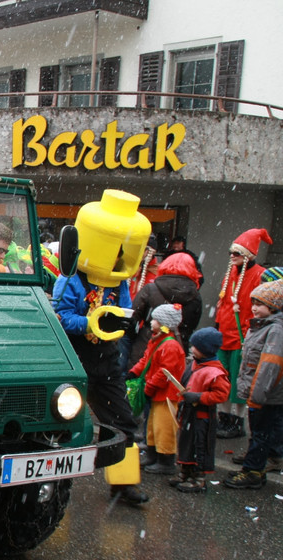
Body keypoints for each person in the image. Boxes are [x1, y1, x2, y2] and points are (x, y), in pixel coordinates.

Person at [53, 189, 150, 507]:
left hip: (107, 360)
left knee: (124, 423)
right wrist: (89, 322)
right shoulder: (70, 278)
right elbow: (60, 316)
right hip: (74, 359)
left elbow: (124, 312)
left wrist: (122, 323)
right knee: (62, 425)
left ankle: (124, 485)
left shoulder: (119, 282)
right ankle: (54, 486)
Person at [223, 279, 283, 489]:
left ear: (273, 307)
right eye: (253, 303)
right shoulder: (262, 326)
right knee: (262, 431)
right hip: (262, 393)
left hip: (265, 394)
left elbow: (269, 367)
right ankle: (256, 462)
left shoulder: (275, 330)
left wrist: (257, 396)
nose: (254, 308)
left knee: (260, 433)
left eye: (260, 304)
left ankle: (253, 471)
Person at [214, 228, 271, 439]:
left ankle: (237, 421)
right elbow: (223, 305)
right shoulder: (230, 275)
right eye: (231, 252)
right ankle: (224, 417)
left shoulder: (260, 275)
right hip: (224, 336)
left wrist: (251, 334)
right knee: (222, 379)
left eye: (237, 253)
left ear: (248, 255)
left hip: (243, 338)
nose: (232, 256)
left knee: (240, 381)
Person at [128, 304, 186, 475]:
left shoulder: (170, 346)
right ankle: (153, 454)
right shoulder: (157, 340)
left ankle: (166, 460)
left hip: (167, 395)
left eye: (155, 320)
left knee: (164, 428)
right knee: (153, 426)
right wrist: (134, 372)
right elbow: (146, 360)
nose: (151, 322)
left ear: (163, 324)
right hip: (158, 393)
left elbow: (164, 373)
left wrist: (149, 388)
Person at [172, 327, 229, 493]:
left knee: (200, 446)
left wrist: (198, 397)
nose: (192, 349)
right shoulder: (194, 364)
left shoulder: (215, 372)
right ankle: (185, 472)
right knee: (186, 444)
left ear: (205, 349)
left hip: (202, 417)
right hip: (189, 413)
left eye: (195, 346)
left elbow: (221, 395)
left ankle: (198, 479)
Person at [127, 252, 203, 369]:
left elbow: (133, 319)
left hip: (145, 348)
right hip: (175, 352)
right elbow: (191, 327)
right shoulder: (196, 297)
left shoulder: (151, 289)